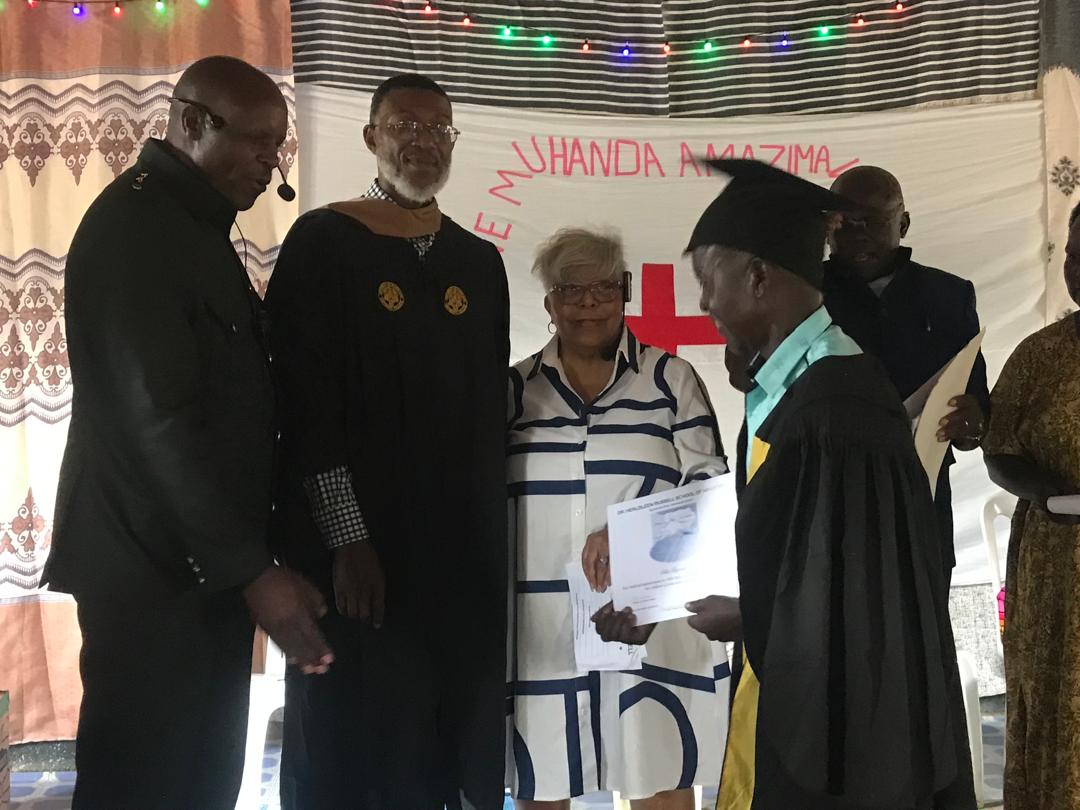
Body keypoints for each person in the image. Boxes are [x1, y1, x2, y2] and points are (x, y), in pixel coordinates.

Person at [601, 159, 975, 809]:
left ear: (757, 277)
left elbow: (860, 603)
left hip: (847, 740)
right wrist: (686, 600)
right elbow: (797, 547)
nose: (704, 304)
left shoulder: (838, 406)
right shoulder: (791, 388)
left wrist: (749, 615)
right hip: (798, 691)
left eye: (708, 281)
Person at [41, 56, 332, 810]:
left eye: (277, 148)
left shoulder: (190, 228)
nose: (271, 165)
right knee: (148, 785)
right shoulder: (138, 229)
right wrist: (252, 570)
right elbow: (157, 421)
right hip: (150, 578)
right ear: (193, 123)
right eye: (258, 144)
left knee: (199, 786)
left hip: (196, 574)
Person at [266, 73, 510, 809]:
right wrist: (348, 538)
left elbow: (486, 418)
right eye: (405, 125)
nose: (422, 141)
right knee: (352, 736)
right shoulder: (325, 241)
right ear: (373, 136)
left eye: (438, 129)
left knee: (437, 739)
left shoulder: (478, 263)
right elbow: (305, 403)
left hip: (451, 560)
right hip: (358, 557)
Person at [507, 228, 729, 810]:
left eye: (602, 288)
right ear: (549, 302)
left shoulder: (671, 379)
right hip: (542, 629)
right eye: (570, 290)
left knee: (658, 776)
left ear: (625, 291)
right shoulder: (514, 390)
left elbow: (710, 486)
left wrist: (630, 537)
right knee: (543, 779)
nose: (588, 304)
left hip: (648, 622)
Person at [823, 165, 991, 578]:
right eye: (846, 223)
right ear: (827, 229)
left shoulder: (948, 296)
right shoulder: (802, 295)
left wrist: (971, 425)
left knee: (922, 613)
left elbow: (976, 408)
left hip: (920, 496)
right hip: (827, 497)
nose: (859, 234)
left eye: (874, 221)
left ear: (904, 223)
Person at [982, 202, 1080, 809]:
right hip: (1055, 564)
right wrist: (1048, 493)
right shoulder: (1039, 355)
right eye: (1073, 255)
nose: (1078, 269)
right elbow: (998, 451)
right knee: (1053, 702)